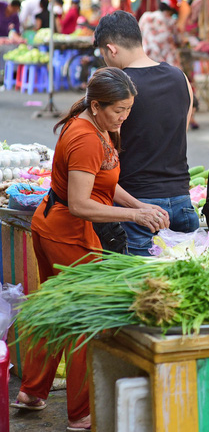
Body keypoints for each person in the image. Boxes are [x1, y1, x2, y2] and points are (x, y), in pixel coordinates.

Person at [10, 68, 169, 432]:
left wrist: (140, 206)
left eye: (129, 109)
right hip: (67, 232)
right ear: (96, 106)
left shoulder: (97, 127)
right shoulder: (85, 138)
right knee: (85, 321)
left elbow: (104, 185)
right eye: (120, 110)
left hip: (60, 226)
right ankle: (81, 413)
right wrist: (135, 214)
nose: (124, 117)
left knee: (57, 311)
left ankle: (33, 393)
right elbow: (81, 203)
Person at [94, 10, 198, 255]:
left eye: (103, 55)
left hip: (137, 208)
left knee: (139, 289)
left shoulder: (117, 89)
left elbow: (101, 152)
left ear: (112, 49)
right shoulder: (180, 78)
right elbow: (177, 135)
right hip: (182, 203)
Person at [138, 0, 182, 69]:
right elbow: (178, 39)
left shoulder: (146, 17)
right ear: (170, 11)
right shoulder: (169, 22)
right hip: (163, 64)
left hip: (145, 61)